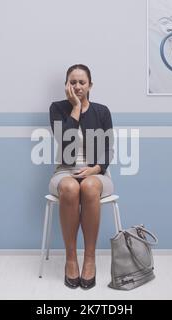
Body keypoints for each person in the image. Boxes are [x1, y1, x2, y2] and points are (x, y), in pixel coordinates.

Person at [48, 64, 114, 289]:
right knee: (70, 187)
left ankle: (89, 259)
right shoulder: (57, 108)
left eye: (82, 82)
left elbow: (108, 149)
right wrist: (76, 107)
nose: (77, 86)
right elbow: (66, 143)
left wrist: (95, 169)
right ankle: (70, 259)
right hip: (65, 171)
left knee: (88, 187)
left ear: (90, 85)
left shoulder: (102, 111)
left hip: (96, 172)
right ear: (67, 85)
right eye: (72, 82)